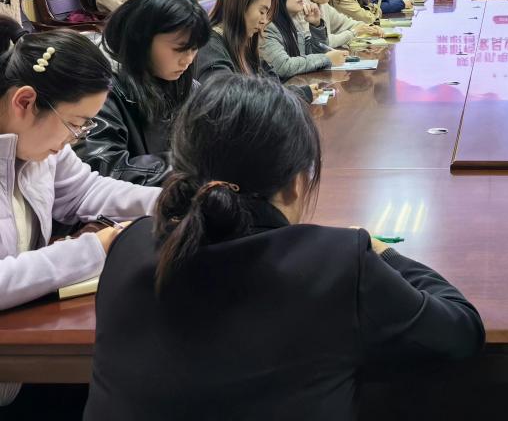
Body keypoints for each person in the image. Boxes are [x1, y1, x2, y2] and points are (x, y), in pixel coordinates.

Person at [85, 74, 485, 420]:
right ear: (295, 183)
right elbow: (460, 331)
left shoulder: (130, 246)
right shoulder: (336, 261)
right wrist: (383, 251)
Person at [0, 30, 161, 315]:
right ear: (24, 101)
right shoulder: (36, 142)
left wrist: (165, 202)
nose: (74, 139)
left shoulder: (39, 147)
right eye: (75, 124)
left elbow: (85, 190)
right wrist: (93, 248)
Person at [74, 0, 211, 186]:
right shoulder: (101, 92)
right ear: (142, 38)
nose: (188, 60)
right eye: (179, 49)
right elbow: (104, 167)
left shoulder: (186, 85)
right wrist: (193, 166)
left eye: (194, 48)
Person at [195, 0, 318, 103]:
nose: (264, 21)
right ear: (239, 6)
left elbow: (271, 82)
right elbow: (227, 98)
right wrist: (296, 94)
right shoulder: (210, 44)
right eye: (262, 12)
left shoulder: (244, 41)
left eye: (267, 14)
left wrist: (296, 93)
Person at [258, 0, 349, 79]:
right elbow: (283, 66)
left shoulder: (290, 21)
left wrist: (316, 25)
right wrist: (327, 58)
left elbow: (313, 54)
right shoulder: (266, 26)